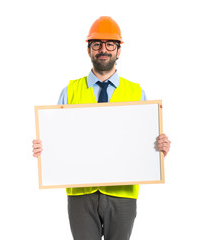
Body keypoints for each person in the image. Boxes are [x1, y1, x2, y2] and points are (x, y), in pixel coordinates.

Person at [32, 16, 171, 240]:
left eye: (109, 44)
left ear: (118, 50)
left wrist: (159, 146)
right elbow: (56, 138)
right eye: (96, 44)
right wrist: (43, 147)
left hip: (122, 194)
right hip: (81, 194)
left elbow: (145, 140)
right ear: (89, 50)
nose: (103, 49)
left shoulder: (137, 92)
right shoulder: (70, 91)